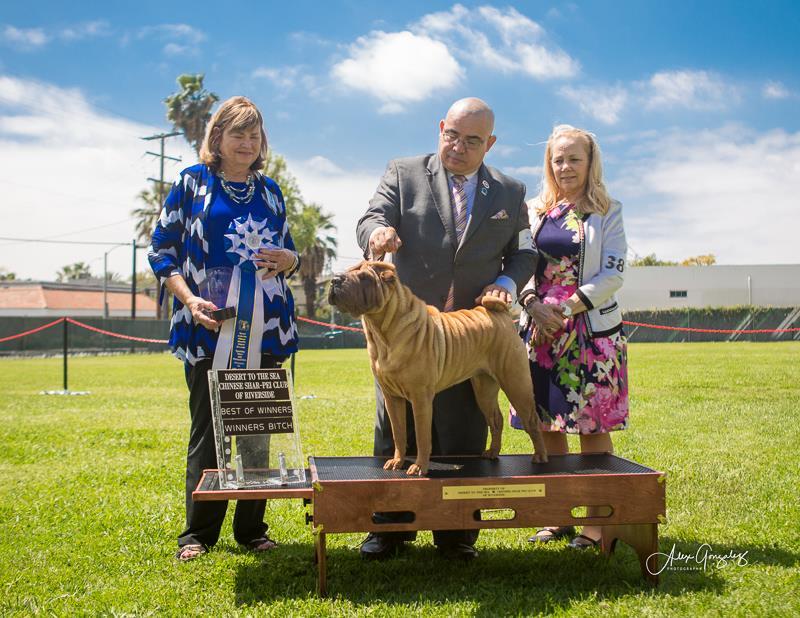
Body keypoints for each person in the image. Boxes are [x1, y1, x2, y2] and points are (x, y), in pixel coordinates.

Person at [356, 97, 536, 561]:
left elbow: (524, 253)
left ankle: (456, 534)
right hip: (404, 333)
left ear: (490, 144)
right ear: (440, 128)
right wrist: (376, 234)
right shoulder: (403, 173)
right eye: (451, 135)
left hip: (469, 335)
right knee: (395, 432)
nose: (458, 146)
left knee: (464, 436)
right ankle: (389, 529)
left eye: (472, 140)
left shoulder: (510, 191)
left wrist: (505, 283)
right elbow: (372, 216)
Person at [148, 96, 300, 562]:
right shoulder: (192, 183)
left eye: (254, 135)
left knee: (257, 430)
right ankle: (198, 533)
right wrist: (189, 299)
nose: (247, 143)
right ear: (217, 137)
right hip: (208, 326)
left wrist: (290, 259)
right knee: (208, 432)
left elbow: (289, 250)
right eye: (238, 134)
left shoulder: (270, 191)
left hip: (266, 328)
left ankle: (252, 528)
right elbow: (161, 250)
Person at [512, 124, 628, 549]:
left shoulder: (608, 210)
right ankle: (557, 515)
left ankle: (597, 525)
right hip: (539, 332)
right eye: (558, 159)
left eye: (574, 158)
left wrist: (565, 307)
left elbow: (613, 274)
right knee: (546, 427)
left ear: (590, 162)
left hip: (589, 332)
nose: (565, 167)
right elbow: (520, 262)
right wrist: (531, 303)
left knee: (591, 429)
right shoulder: (534, 210)